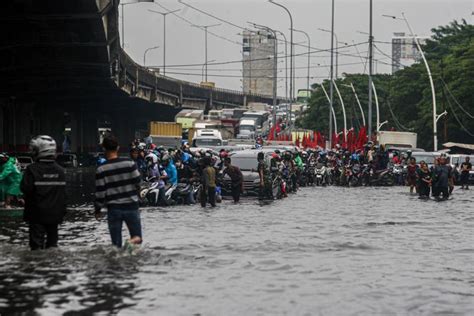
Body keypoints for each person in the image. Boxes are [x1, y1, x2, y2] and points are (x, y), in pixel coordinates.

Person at [95, 134, 142, 248]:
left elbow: (100, 193)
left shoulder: (101, 169)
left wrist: (97, 209)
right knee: (137, 238)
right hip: (131, 206)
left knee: (116, 245)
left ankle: (118, 262)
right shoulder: (130, 163)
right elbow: (138, 182)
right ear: (118, 148)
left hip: (113, 209)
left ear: (104, 148)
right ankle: (130, 244)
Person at [20, 135, 66, 250]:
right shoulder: (60, 170)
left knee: (36, 247)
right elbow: (63, 194)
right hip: (55, 215)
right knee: (52, 245)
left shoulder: (32, 169)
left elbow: (25, 188)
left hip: (36, 215)